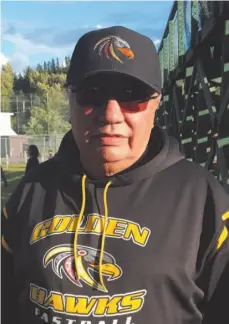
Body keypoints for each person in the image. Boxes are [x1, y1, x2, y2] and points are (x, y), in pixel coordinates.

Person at [1, 26, 229, 324]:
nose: (110, 114)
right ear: (70, 100)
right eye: (91, 95)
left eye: (131, 96)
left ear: (156, 102)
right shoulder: (31, 192)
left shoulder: (202, 198)